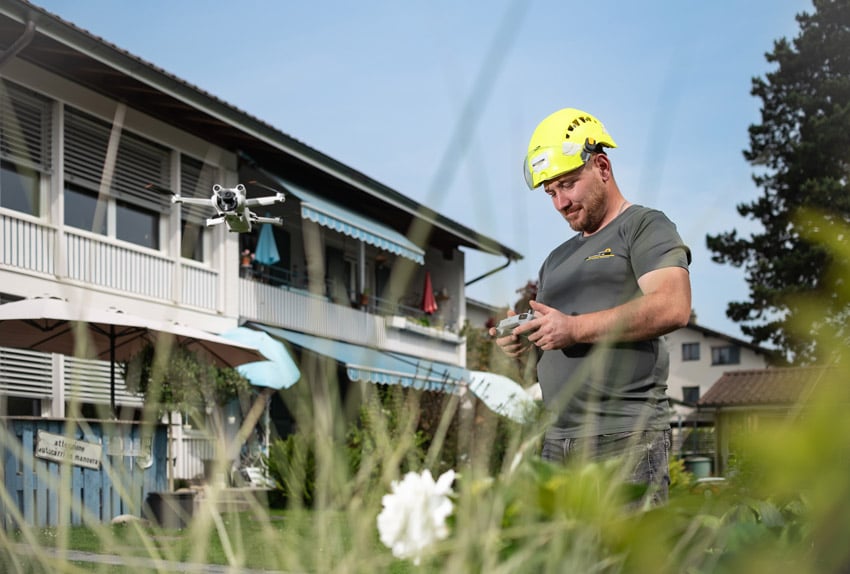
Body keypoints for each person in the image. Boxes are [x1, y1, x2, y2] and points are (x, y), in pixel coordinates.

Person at [492, 108, 692, 505]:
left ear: (602, 166)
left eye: (567, 184)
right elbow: (557, 328)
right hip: (557, 442)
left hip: (623, 438)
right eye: (550, 192)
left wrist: (575, 329)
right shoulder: (556, 259)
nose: (560, 203)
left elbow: (673, 305)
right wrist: (523, 336)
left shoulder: (644, 226)